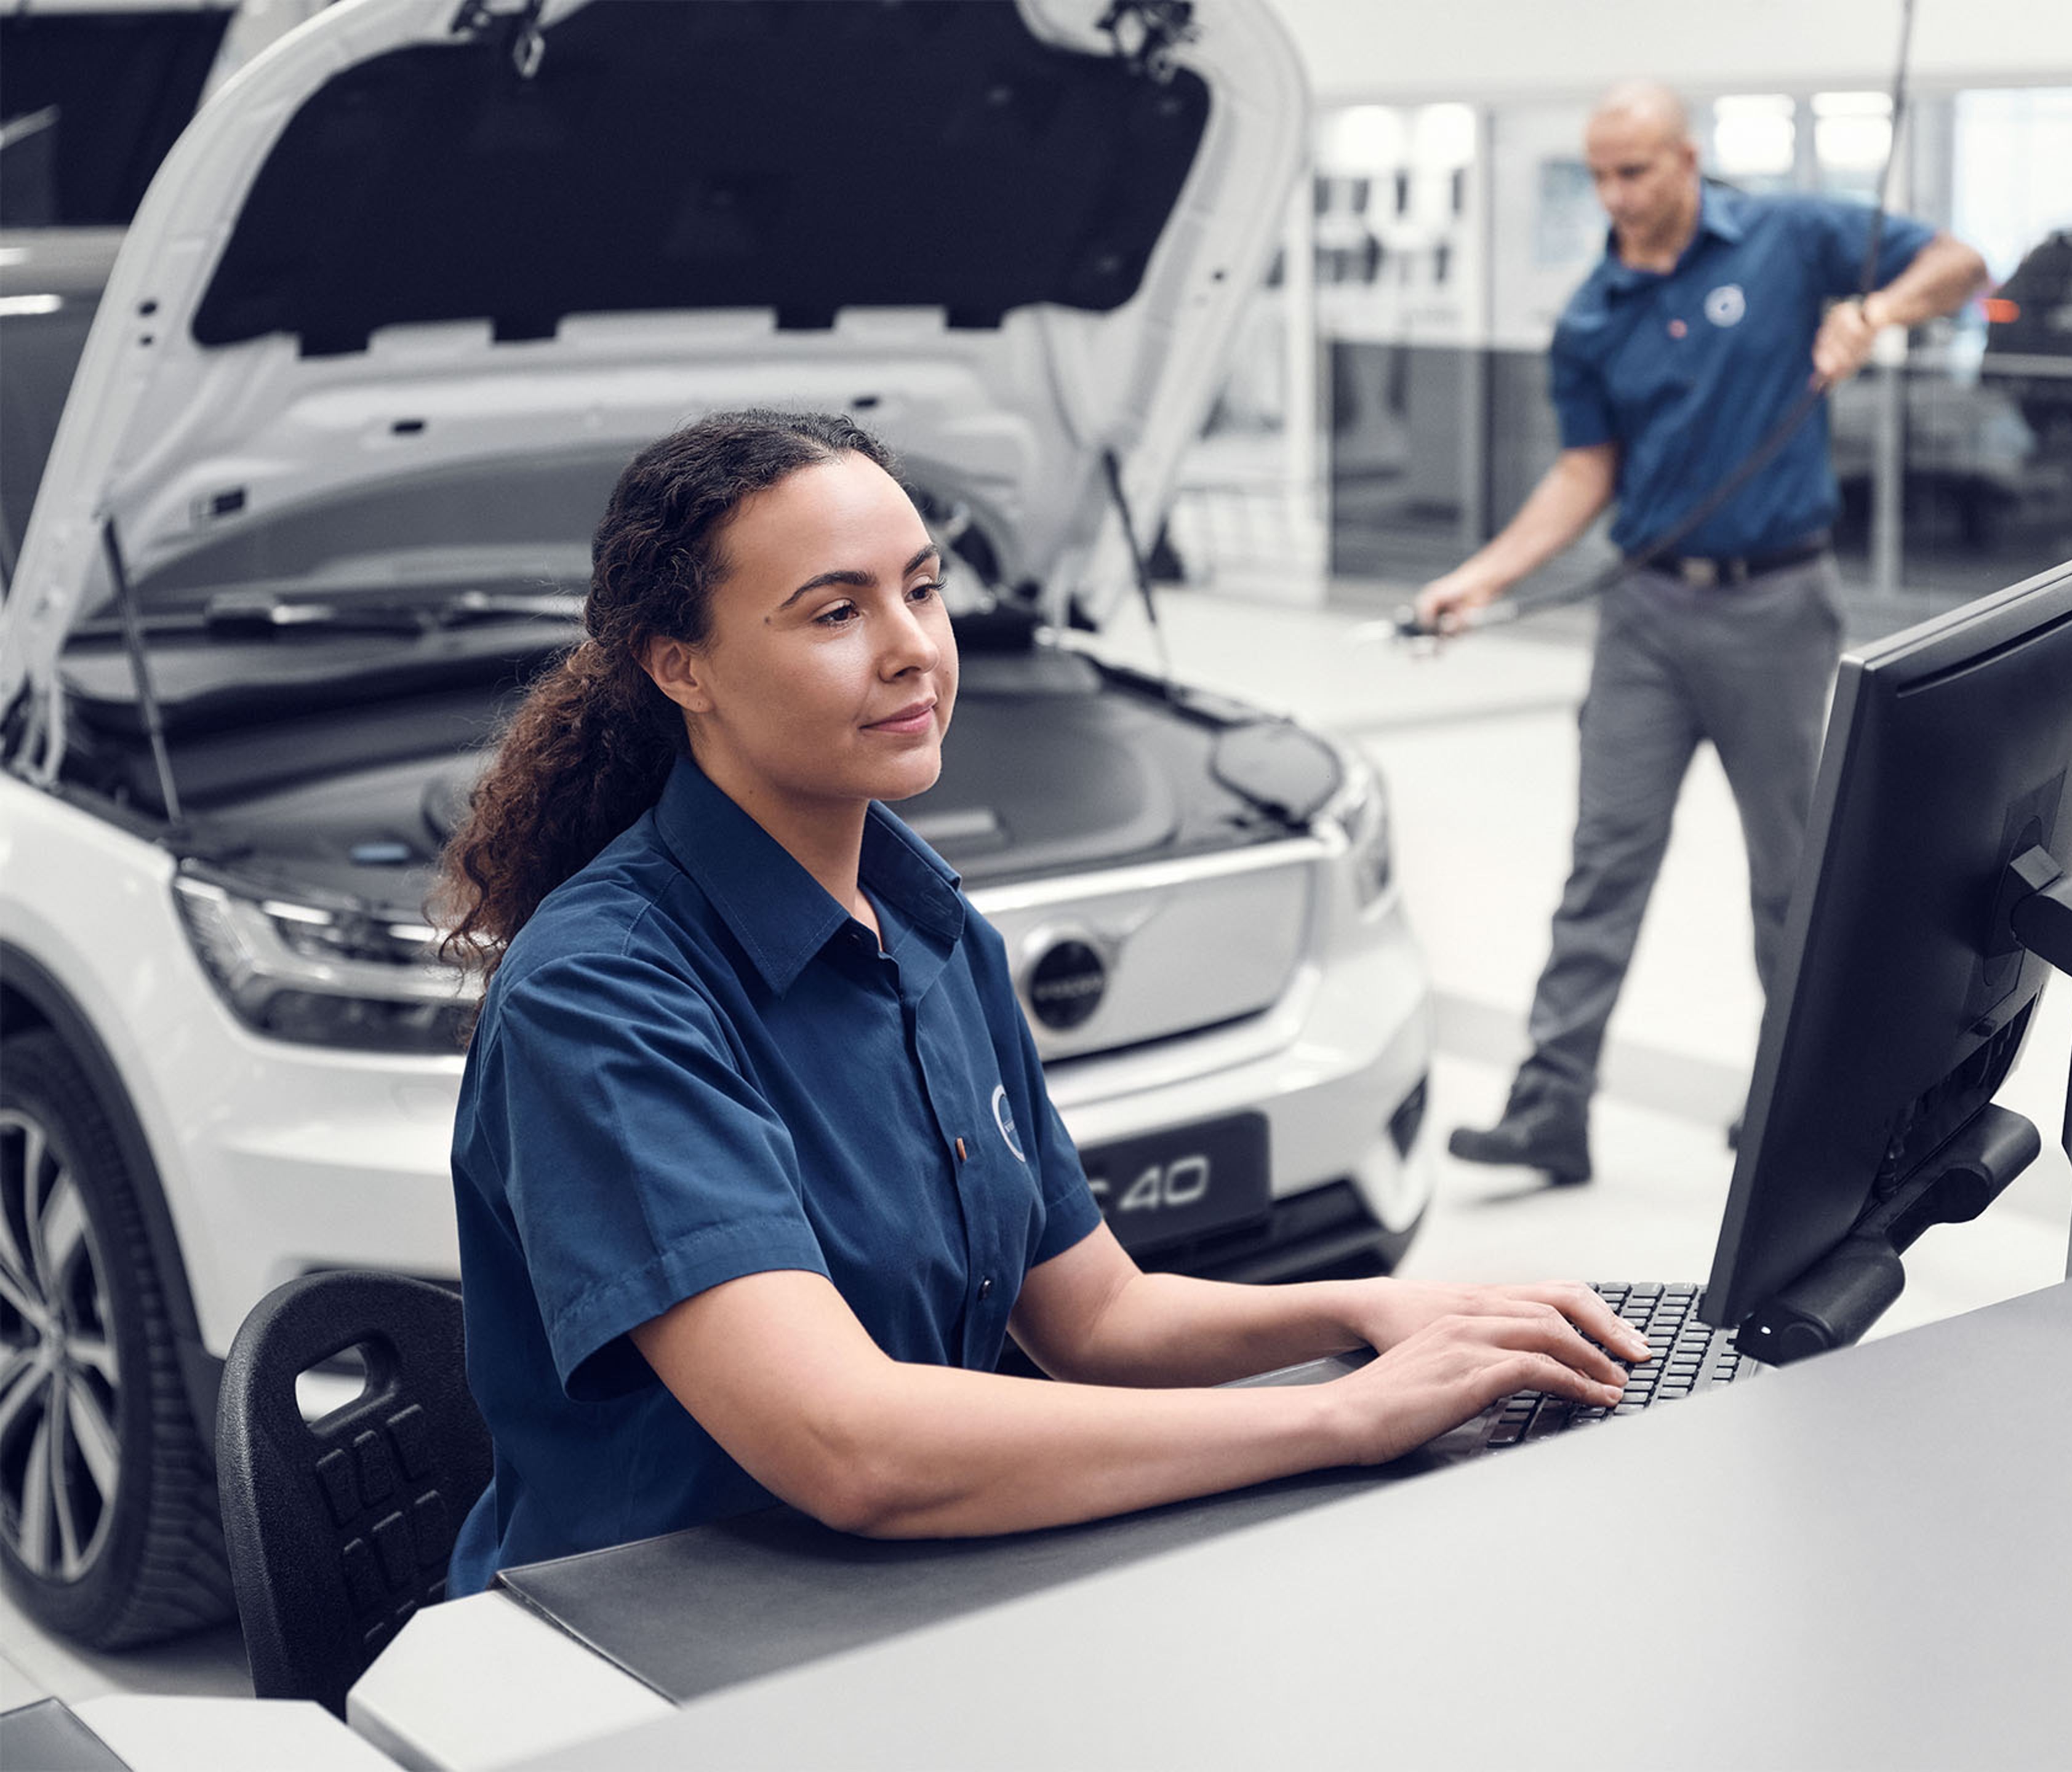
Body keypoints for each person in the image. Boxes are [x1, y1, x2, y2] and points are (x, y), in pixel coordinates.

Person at [432, 409, 1651, 1590]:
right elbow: (851, 1448)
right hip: (642, 1641)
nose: (911, 644)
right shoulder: (603, 993)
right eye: (836, 610)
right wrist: (1341, 1418)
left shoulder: (927, 927)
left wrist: (1374, 1309)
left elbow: (1099, 1316)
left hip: (898, 1590)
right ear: (680, 665)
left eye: (922, 587)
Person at [1419, 82, 1986, 1186]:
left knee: (1792, 875)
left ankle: (1804, 1102)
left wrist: (1875, 312)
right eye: (1598, 174)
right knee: (1604, 860)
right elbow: (1589, 469)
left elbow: (1961, 264)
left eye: (1634, 171)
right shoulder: (1595, 314)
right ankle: (1551, 1106)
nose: (1615, 196)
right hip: (1644, 615)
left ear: (1686, 160)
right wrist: (1480, 579)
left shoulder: (1790, 236)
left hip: (1774, 608)